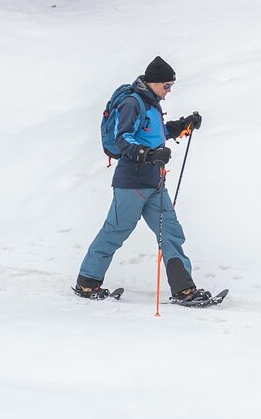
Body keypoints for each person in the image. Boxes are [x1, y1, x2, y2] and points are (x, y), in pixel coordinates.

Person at [74, 55, 214, 304]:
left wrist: (183, 125)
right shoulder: (132, 103)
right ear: (154, 82)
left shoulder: (152, 104)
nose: (169, 91)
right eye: (167, 86)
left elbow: (155, 134)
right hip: (132, 184)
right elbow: (123, 138)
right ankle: (87, 282)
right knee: (115, 231)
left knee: (171, 233)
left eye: (171, 86)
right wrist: (148, 154)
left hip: (155, 182)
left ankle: (183, 289)